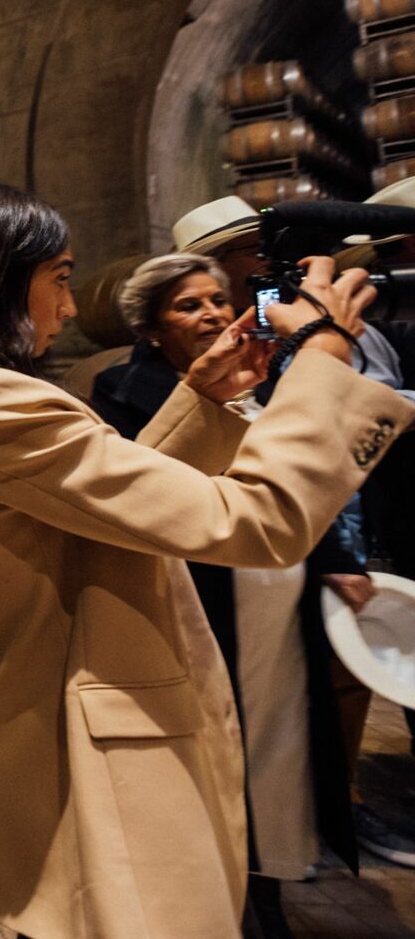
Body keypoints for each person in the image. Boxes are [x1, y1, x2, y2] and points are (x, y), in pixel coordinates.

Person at [0, 181, 414, 939]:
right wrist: (325, 356)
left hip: (63, 717)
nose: (70, 308)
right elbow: (258, 522)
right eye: (59, 278)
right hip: (89, 742)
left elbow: (102, 521)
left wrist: (200, 398)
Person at [91, 253, 371, 936]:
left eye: (218, 299)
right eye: (188, 305)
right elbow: (137, 490)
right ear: (152, 326)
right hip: (203, 590)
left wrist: (336, 558)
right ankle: (219, 889)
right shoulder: (119, 388)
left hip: (278, 597)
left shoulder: (266, 375)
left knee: (281, 742)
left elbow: (304, 480)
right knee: (219, 745)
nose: (212, 313)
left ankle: (269, 887)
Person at [173, 194, 415, 868]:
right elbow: (287, 444)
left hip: (369, 500)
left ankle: (331, 809)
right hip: (298, 523)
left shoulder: (325, 314)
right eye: (249, 251)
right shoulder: (264, 334)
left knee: (353, 670)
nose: (266, 263)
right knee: (298, 683)